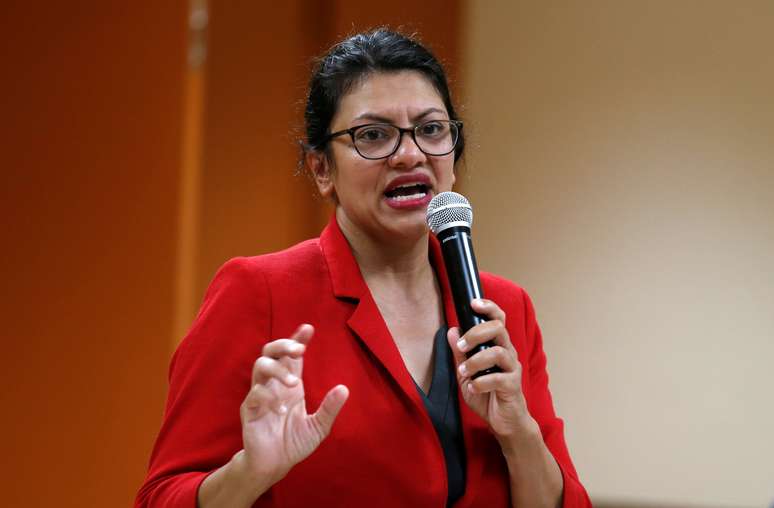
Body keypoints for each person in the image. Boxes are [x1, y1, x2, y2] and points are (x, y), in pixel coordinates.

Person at [135, 28, 591, 508]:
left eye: (431, 129)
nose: (410, 154)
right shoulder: (258, 291)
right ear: (322, 170)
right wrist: (249, 473)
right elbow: (160, 497)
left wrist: (518, 433)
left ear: (454, 156)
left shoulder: (504, 307)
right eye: (373, 135)